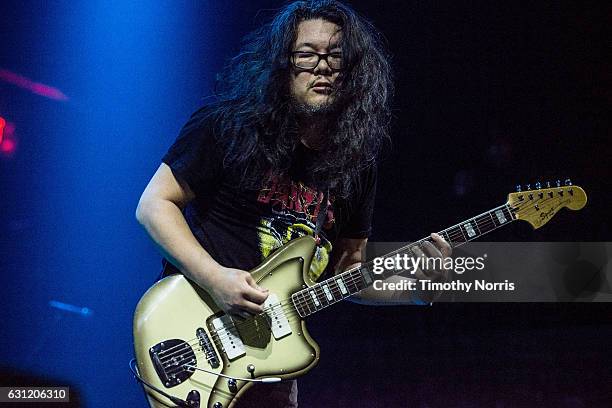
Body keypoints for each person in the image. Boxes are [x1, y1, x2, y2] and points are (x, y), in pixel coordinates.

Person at [136, 1, 451, 406]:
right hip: (195, 332)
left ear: (354, 71)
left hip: (271, 361)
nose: (322, 66)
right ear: (282, 63)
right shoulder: (227, 127)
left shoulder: (356, 165)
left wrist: (415, 292)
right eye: (307, 54)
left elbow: (348, 270)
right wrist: (215, 278)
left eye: (336, 57)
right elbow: (154, 204)